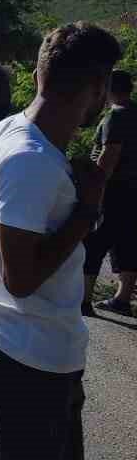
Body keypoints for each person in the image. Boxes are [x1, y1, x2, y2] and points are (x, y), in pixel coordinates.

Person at [0, 22, 120, 460]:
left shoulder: (7, 129)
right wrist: (87, 207)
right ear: (99, 88)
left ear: (36, 76)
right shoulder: (34, 162)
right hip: (33, 363)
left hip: (21, 350)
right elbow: (22, 280)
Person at [83, 69, 136, 317]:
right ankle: (122, 299)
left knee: (95, 241)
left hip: (114, 188)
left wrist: (96, 190)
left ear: (107, 89)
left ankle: (83, 299)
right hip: (133, 189)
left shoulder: (116, 116)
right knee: (127, 242)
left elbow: (110, 155)